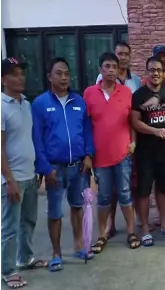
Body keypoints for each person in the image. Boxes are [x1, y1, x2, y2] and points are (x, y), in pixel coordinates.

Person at [32, 58, 95, 271]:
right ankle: (56, 253)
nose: (64, 77)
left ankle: (79, 245)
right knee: (55, 213)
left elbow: (87, 131)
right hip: (54, 169)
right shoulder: (40, 104)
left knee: (77, 208)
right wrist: (44, 167)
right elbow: (37, 139)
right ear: (49, 76)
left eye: (67, 73)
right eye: (59, 73)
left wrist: (89, 154)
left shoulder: (78, 101)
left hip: (78, 166)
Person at [84, 52, 140, 253]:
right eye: (106, 66)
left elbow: (132, 121)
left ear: (118, 70)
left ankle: (131, 232)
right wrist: (88, 153)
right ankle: (101, 235)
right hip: (100, 157)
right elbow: (86, 125)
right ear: (100, 69)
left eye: (113, 67)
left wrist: (133, 142)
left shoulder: (126, 93)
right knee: (105, 197)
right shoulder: (89, 93)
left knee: (125, 194)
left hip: (123, 154)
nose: (110, 70)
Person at [1, 57, 47, 289]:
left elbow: (30, 140)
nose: (21, 77)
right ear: (3, 79)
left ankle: (24, 258)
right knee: (9, 226)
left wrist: (37, 168)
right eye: (15, 73)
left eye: (22, 73)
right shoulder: (0, 106)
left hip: (29, 174)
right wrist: (8, 180)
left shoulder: (25, 104)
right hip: (11, 179)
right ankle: (7, 271)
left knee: (28, 221)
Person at [131, 56, 165, 246]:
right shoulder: (138, 95)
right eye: (152, 70)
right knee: (143, 190)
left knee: (163, 188)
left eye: (159, 70)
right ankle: (144, 227)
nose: (155, 73)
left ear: (164, 72)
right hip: (145, 152)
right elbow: (135, 122)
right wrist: (155, 131)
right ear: (147, 72)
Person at [96, 41, 142, 239]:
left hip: (127, 146)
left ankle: (134, 227)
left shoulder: (135, 82)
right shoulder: (96, 86)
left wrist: (134, 141)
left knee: (129, 187)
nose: (122, 58)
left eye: (125, 55)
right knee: (107, 192)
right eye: (119, 54)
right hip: (103, 151)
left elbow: (134, 116)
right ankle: (109, 226)